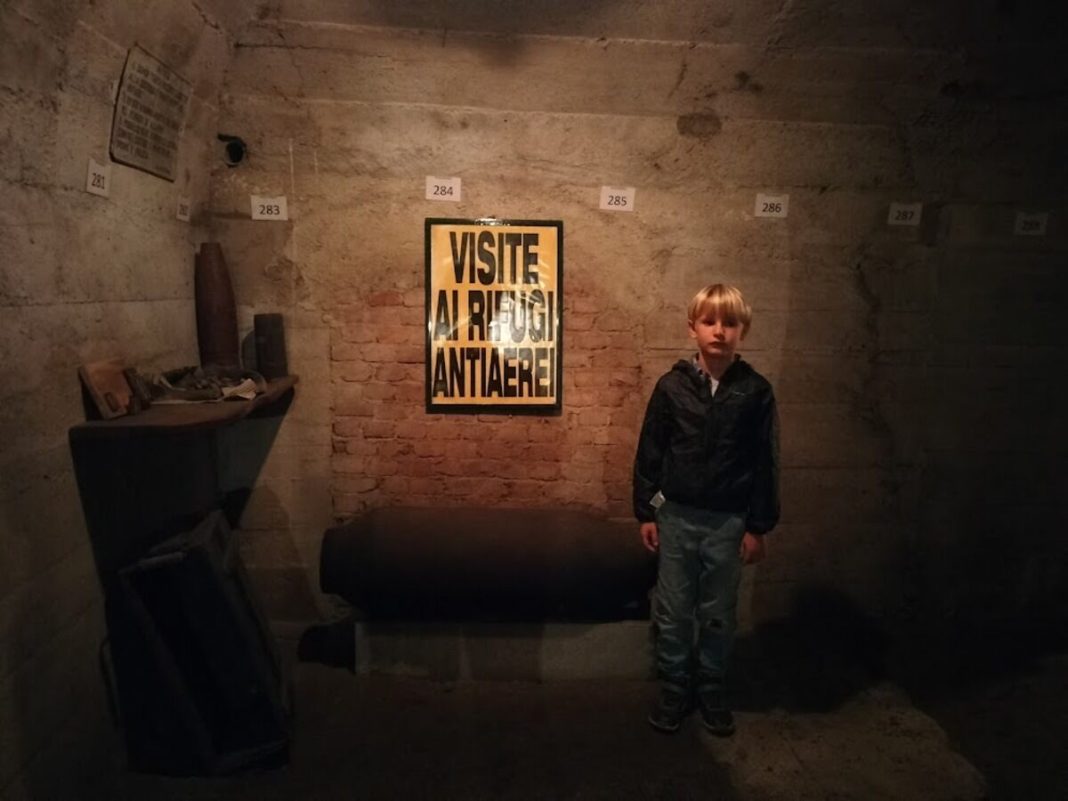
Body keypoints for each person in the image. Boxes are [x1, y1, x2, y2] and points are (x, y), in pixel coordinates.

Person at [633, 283, 780, 735]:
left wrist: (756, 526)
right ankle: (676, 687)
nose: (719, 331)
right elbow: (650, 453)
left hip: (727, 523)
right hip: (676, 518)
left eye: (730, 323)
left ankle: (711, 686)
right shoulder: (672, 387)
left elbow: (764, 461)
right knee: (675, 610)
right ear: (693, 327)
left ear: (743, 330)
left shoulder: (754, 392)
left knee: (717, 611)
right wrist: (647, 511)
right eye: (710, 321)